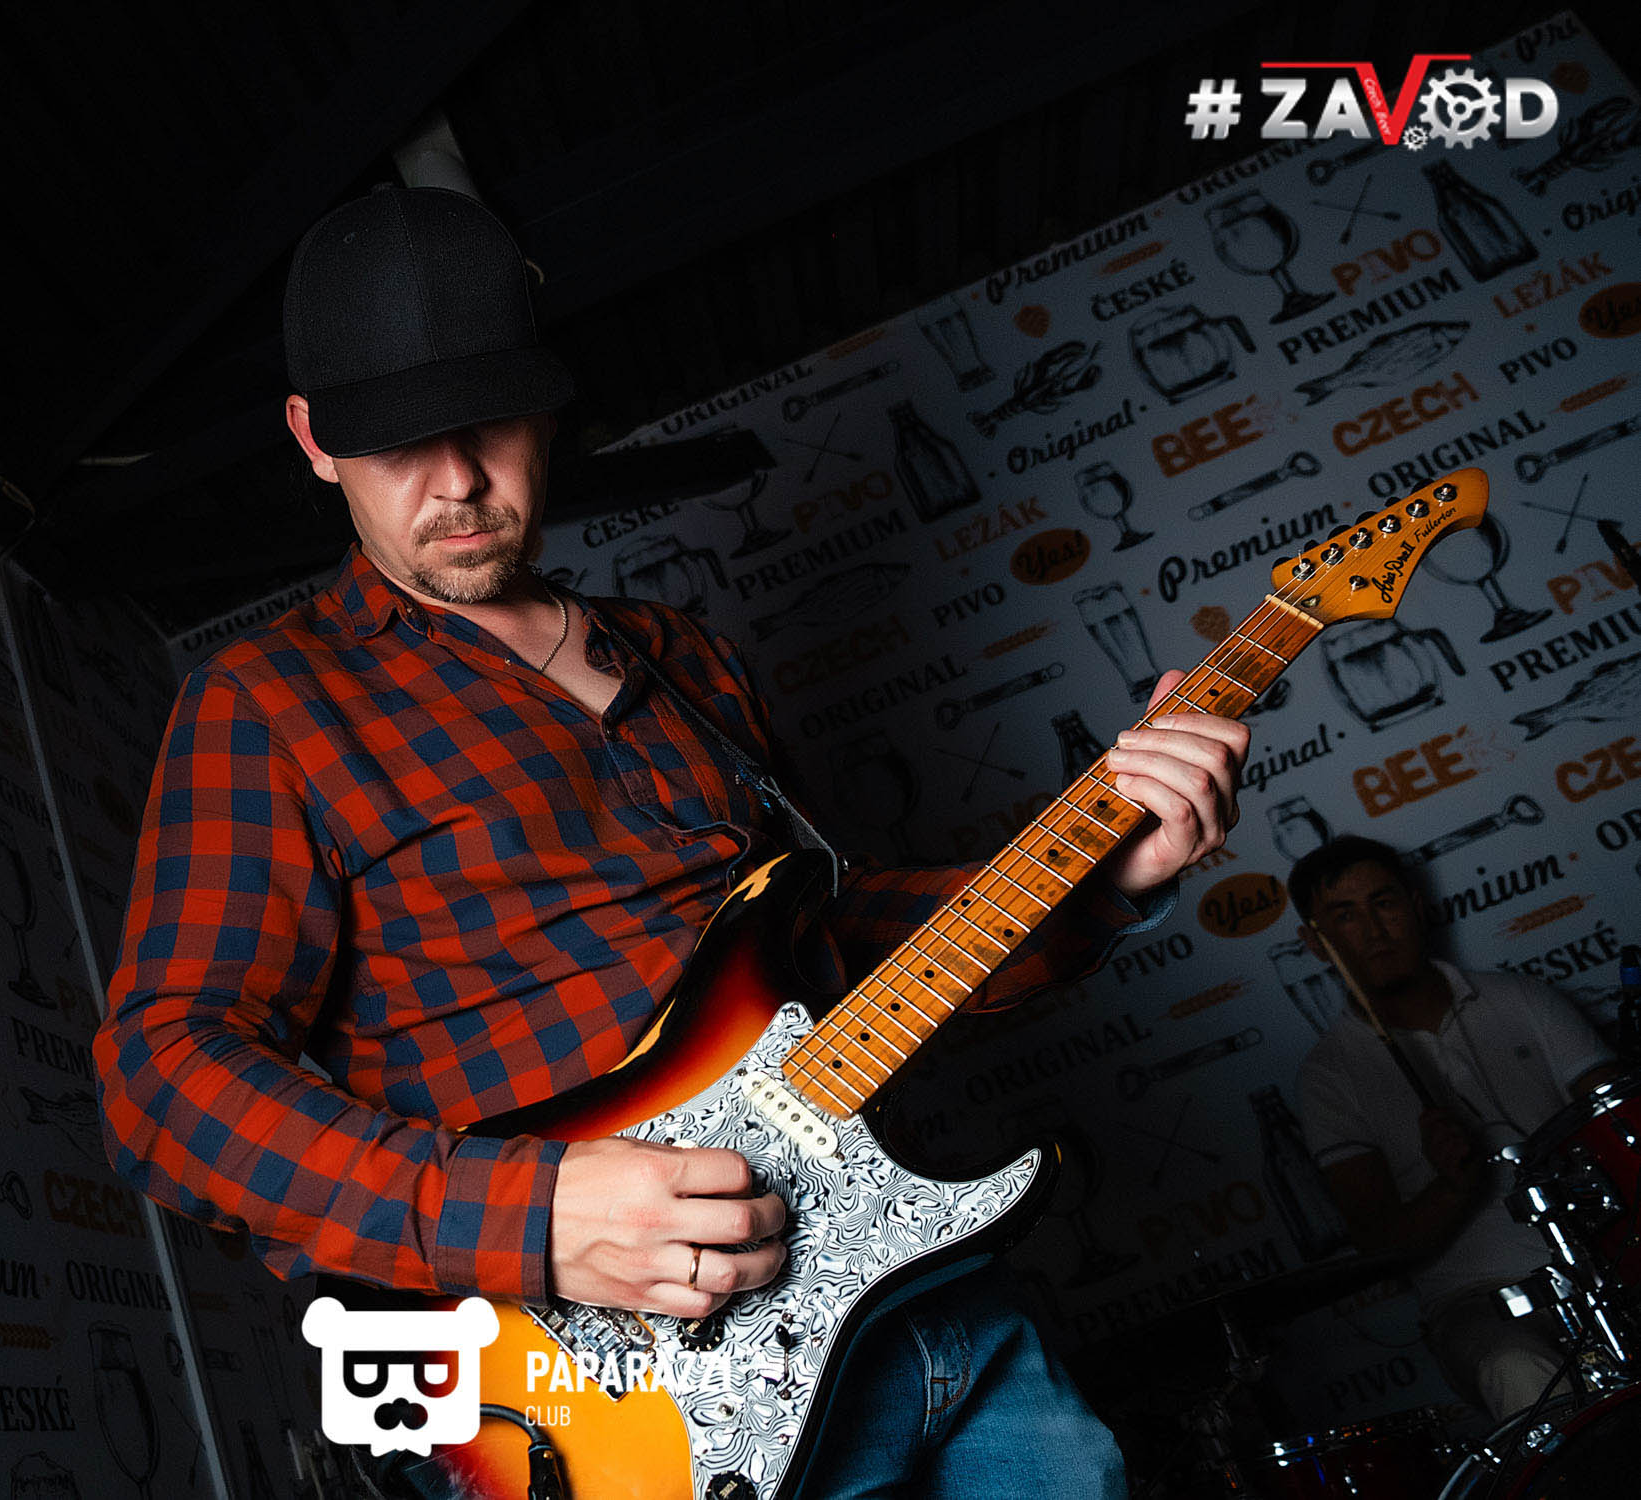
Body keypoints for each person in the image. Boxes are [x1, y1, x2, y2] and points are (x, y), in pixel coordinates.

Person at [95, 185, 1252, 1498]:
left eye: (489, 420)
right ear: (314, 441)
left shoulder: (685, 659)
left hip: (916, 1299)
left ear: (547, 407)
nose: (458, 480)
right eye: (397, 443)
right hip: (627, 1408)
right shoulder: (270, 703)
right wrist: (530, 1219)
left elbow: (826, 959)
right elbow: (163, 1075)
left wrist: (1103, 877)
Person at [1289, 835, 1622, 1422]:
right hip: (1478, 1301)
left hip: (1608, 1259)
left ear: (1416, 907)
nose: (1374, 930)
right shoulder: (1328, 1076)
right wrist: (1450, 1188)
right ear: (1316, 942)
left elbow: (1619, 1119)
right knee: (1514, 1367)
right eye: (1345, 915)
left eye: (1384, 903)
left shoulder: (1522, 998)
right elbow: (1378, 1244)